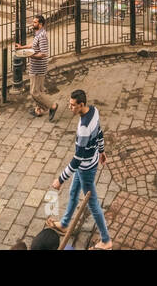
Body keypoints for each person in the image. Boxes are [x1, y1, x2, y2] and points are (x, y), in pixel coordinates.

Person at [47, 89, 113, 249]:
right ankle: (64, 224)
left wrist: (60, 179)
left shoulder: (84, 127)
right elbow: (99, 133)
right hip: (92, 160)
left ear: (81, 105)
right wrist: (102, 151)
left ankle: (106, 241)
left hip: (85, 168)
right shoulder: (94, 111)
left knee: (93, 205)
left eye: (72, 105)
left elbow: (77, 159)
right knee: (73, 192)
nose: (70, 108)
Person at [14, 14, 57, 119]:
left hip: (38, 68)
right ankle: (39, 110)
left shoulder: (42, 36)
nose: (32, 24)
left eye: (35, 22)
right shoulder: (38, 33)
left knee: (34, 92)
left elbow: (43, 53)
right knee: (40, 90)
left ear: (40, 24)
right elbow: (33, 45)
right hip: (36, 66)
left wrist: (29, 54)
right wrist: (22, 47)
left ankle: (52, 106)